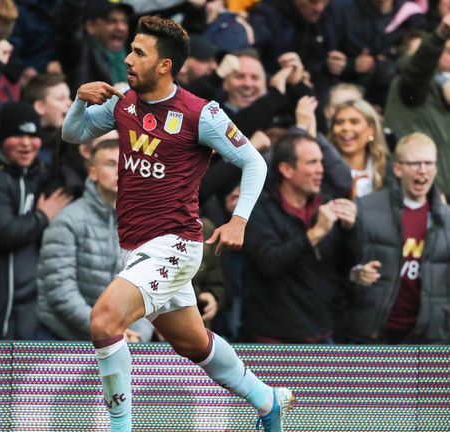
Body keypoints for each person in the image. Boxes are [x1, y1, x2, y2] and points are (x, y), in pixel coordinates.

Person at [62, 15, 291, 432]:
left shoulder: (200, 114)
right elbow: (74, 134)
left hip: (175, 244)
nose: (127, 59)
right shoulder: (123, 103)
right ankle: (266, 398)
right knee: (193, 343)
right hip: (137, 246)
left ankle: (120, 428)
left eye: (138, 53)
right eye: (130, 49)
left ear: (165, 65)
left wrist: (239, 221)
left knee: (104, 321)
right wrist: (80, 100)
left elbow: (254, 162)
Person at [342, 133, 450, 344]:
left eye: (429, 163)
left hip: (427, 338)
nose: (423, 170)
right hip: (372, 333)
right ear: (398, 169)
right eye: (415, 163)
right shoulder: (365, 209)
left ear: (436, 168)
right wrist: (356, 273)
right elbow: (344, 263)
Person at [243, 132, 359, 345]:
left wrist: (350, 230)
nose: (321, 170)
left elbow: (346, 265)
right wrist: (316, 233)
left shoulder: (326, 203)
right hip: (274, 338)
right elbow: (269, 263)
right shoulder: (259, 209)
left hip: (325, 331)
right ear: (286, 169)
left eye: (321, 162)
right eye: (312, 163)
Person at [36, 139, 154, 342]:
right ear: (92, 171)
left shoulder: (146, 225)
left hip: (124, 340)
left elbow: (152, 290)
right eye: (110, 164)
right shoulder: (67, 221)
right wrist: (108, 331)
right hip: (63, 342)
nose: (120, 171)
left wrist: (139, 335)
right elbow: (60, 291)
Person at [0, 102, 71, 340]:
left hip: (32, 303)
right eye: (18, 135)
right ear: (2, 138)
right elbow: (1, 232)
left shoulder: (40, 173)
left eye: (32, 136)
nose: (27, 143)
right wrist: (42, 217)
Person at [384, 11, 450, 197]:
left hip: (440, 194)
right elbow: (418, 68)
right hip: (405, 192)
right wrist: (440, 34)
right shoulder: (414, 86)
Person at [328, 99, 390, 198]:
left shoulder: (387, 170)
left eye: (354, 122)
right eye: (339, 122)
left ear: (371, 129)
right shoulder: (324, 170)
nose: (346, 128)